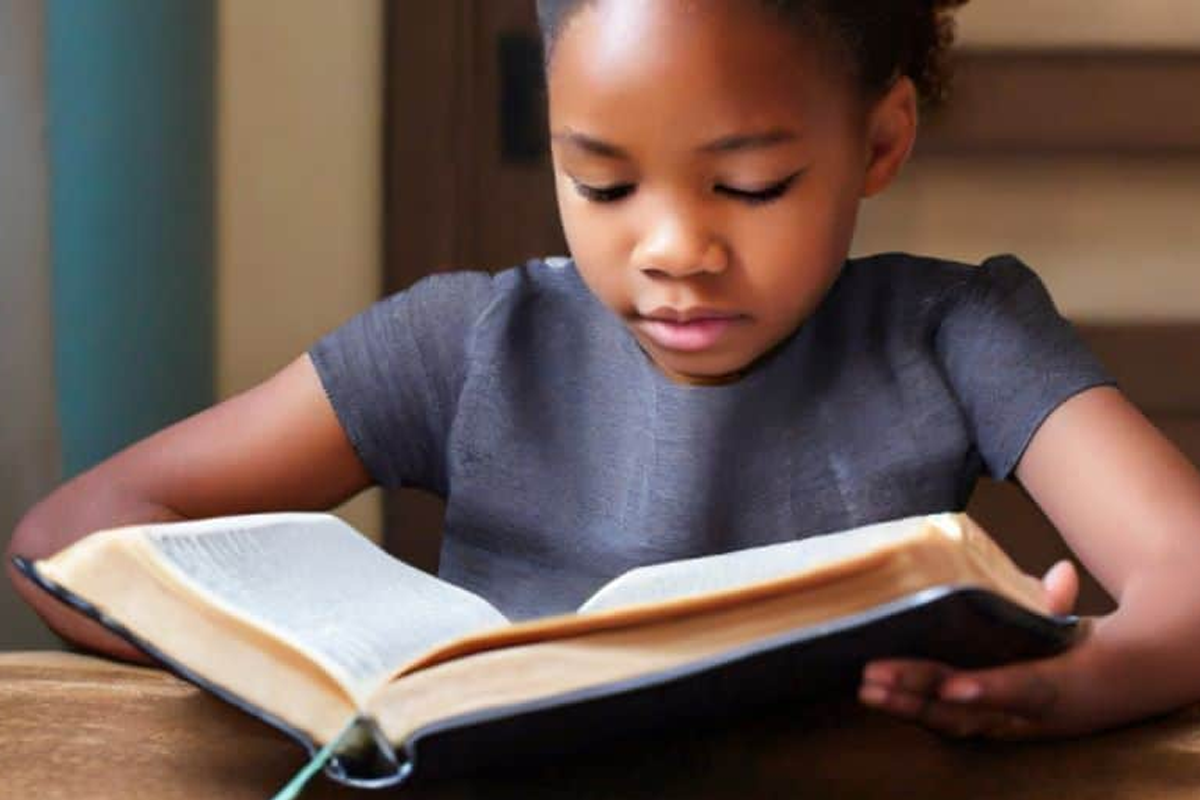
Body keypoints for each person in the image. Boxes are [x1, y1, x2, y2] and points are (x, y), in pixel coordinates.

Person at [9, 0, 1200, 743]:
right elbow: (74, 532)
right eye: (604, 183)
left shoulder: (958, 332)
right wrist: (269, 663)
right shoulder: (466, 343)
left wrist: (1083, 681)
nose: (674, 248)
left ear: (879, 140)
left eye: (749, 185)